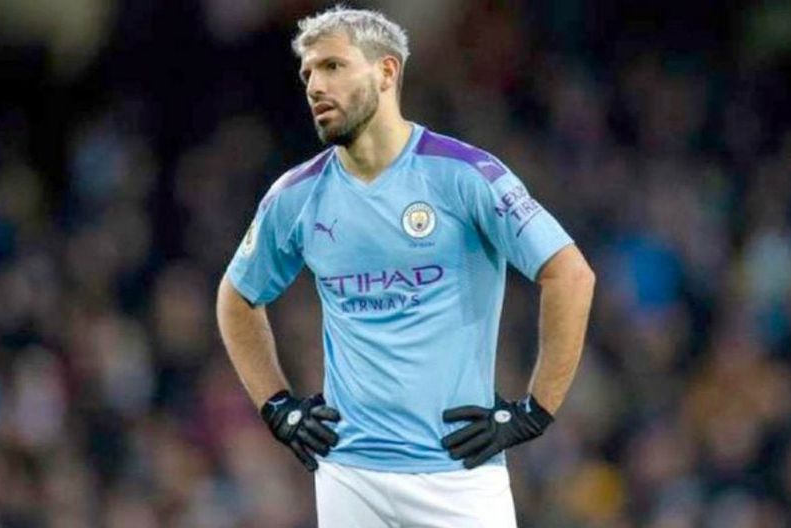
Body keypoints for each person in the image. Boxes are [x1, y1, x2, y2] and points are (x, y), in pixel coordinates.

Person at [216, 6, 595, 527]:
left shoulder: (465, 174)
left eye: (332, 66)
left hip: (458, 475)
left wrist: (535, 411)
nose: (315, 86)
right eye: (308, 74)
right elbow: (236, 296)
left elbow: (570, 274)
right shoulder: (295, 196)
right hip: (349, 473)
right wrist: (277, 405)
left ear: (386, 71)